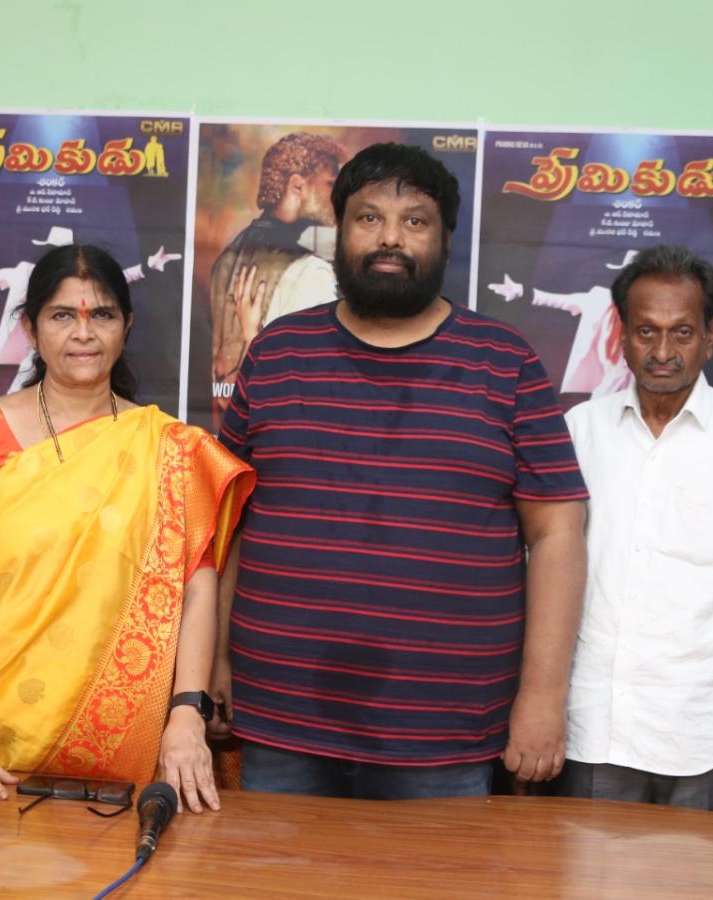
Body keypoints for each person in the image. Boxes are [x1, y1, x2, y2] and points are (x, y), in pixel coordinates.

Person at [215, 143, 588, 800]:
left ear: (444, 239)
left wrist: (542, 697)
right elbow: (229, 521)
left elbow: (557, 533)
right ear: (340, 230)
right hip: (279, 716)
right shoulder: (276, 353)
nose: (390, 238)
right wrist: (212, 661)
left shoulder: (505, 364)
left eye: (415, 220)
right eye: (369, 218)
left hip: (446, 732)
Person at [0, 244, 254, 813]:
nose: (83, 333)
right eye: (62, 315)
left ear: (127, 326)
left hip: (126, 741)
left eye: (103, 315)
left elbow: (196, 589)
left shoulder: (168, 447)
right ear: (29, 327)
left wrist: (187, 715)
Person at [561, 245, 713, 816]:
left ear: (711, 335)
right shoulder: (578, 431)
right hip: (592, 736)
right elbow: (541, 590)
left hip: (704, 744)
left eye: (683, 333)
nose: (663, 352)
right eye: (646, 331)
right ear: (621, 333)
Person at [207, 131, 345, 426]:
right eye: (331, 184)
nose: (338, 197)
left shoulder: (228, 255)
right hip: (282, 428)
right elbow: (315, 380)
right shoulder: (311, 270)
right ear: (297, 185)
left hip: (227, 429)